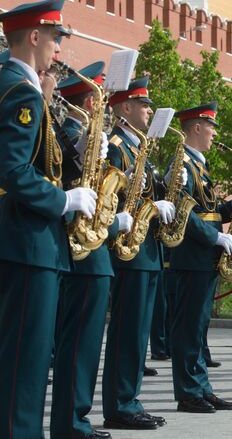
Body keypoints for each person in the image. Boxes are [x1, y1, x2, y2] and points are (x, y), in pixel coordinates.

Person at [0, 0, 96, 439]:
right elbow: (12, 169)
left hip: (27, 244)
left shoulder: (11, 85)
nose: (58, 49)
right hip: (27, 244)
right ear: (34, 36)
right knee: (25, 360)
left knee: (25, 359)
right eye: (55, 38)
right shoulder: (21, 91)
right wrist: (65, 201)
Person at [50, 61, 129, 439]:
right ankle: (71, 422)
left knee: (85, 345)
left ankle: (76, 419)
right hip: (80, 249)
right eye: (99, 100)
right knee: (78, 343)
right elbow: (64, 180)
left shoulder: (83, 135)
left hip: (92, 249)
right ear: (86, 101)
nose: (105, 108)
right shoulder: (68, 133)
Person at [102, 76, 177, 430]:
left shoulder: (139, 147)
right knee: (127, 331)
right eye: (143, 105)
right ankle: (119, 404)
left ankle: (130, 399)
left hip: (146, 247)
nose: (149, 111)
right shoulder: (117, 146)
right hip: (128, 247)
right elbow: (110, 194)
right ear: (125, 107)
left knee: (138, 331)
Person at [166, 103, 232, 413]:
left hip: (204, 257)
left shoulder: (200, 165)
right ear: (196, 127)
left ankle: (201, 386)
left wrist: (231, 208)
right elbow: (185, 212)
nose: (214, 133)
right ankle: (188, 392)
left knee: (199, 327)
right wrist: (215, 236)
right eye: (211, 126)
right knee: (188, 328)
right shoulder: (181, 164)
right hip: (191, 256)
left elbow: (207, 212)